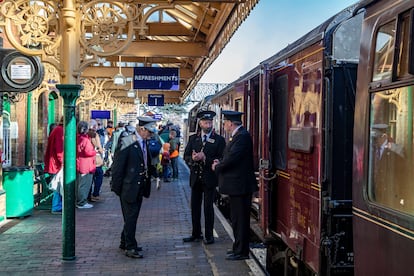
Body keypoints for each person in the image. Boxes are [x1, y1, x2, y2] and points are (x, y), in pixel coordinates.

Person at [212, 110, 258, 261]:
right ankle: (237, 248)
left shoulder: (242, 137)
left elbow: (232, 158)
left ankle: (241, 251)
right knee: (237, 220)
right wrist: (220, 162)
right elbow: (229, 156)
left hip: (240, 187)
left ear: (230, 124)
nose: (224, 125)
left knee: (241, 220)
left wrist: (217, 166)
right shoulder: (238, 136)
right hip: (236, 187)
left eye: (225, 123)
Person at [110, 116, 157, 259]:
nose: (151, 134)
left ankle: (125, 241)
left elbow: (145, 162)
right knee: (131, 217)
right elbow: (118, 167)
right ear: (142, 129)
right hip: (128, 187)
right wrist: (117, 188)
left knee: (132, 216)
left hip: (139, 186)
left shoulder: (143, 142)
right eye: (149, 131)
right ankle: (130, 247)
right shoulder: (127, 141)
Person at [183, 110, 225, 245]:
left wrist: (206, 159)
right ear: (200, 123)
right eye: (206, 122)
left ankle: (209, 235)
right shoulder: (193, 139)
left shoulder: (219, 140)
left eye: (210, 122)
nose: (209, 125)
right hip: (196, 178)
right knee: (195, 207)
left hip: (209, 179)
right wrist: (193, 159)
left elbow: (222, 158)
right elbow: (186, 156)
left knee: (208, 208)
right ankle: (196, 234)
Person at [44, 117, 64, 214]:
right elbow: (59, 149)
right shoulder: (60, 131)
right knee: (58, 185)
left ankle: (58, 205)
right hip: (56, 165)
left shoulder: (57, 130)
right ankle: (56, 206)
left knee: (58, 184)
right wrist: (63, 162)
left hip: (55, 163)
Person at [76, 121, 96, 209]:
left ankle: (79, 201)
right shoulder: (85, 140)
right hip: (86, 165)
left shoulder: (77, 138)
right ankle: (81, 202)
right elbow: (88, 152)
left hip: (80, 163)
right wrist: (95, 151)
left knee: (79, 184)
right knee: (84, 184)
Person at [88, 120, 104, 202]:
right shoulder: (95, 135)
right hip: (96, 160)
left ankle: (89, 194)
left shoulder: (85, 135)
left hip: (88, 161)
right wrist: (101, 150)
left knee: (90, 179)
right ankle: (95, 194)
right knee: (99, 177)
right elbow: (98, 147)